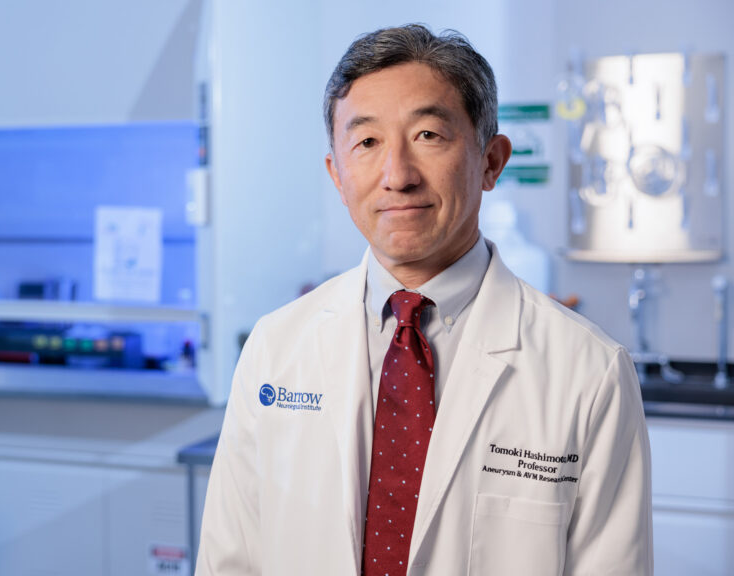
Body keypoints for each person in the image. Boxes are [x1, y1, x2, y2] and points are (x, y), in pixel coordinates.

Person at [196, 24, 652, 576]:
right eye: (366, 142)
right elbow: (230, 560)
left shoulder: (588, 371)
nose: (397, 176)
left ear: (491, 161)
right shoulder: (276, 346)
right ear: (336, 176)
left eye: (429, 135)